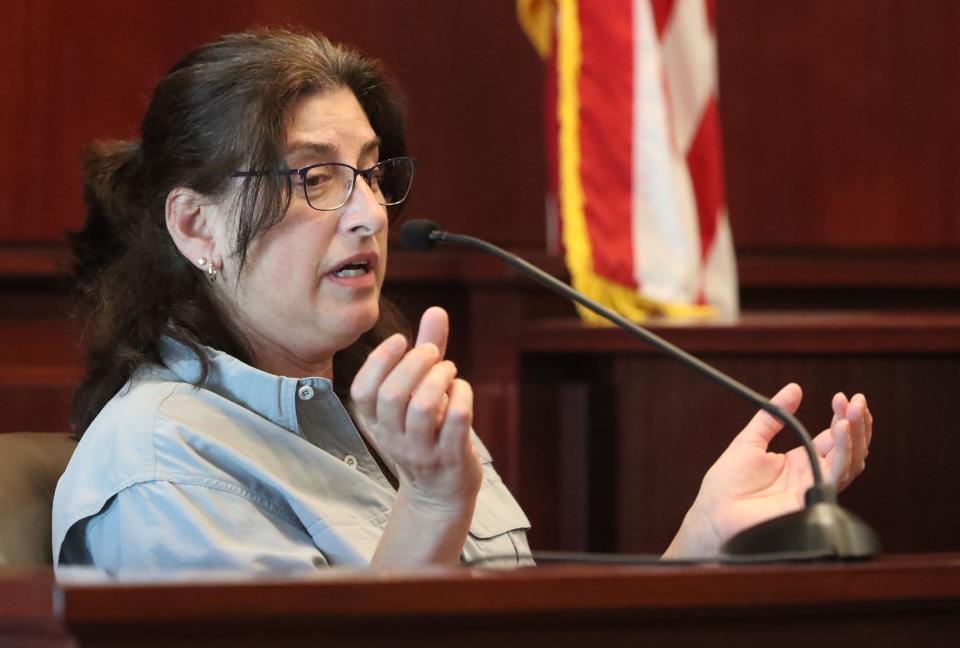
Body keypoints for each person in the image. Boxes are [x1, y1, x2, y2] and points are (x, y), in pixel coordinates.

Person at [52, 30, 871, 574]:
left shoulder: (389, 412)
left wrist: (700, 544)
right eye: (315, 177)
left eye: (372, 173)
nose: (370, 212)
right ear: (196, 225)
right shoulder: (163, 467)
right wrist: (436, 505)